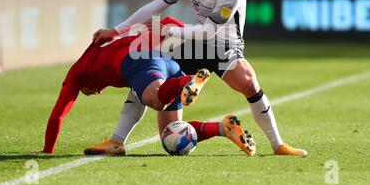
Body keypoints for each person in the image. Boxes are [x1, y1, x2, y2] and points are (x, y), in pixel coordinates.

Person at [92, 0, 307, 157]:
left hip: (225, 45)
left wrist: (166, 31)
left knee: (250, 84)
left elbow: (210, 31)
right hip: (195, 44)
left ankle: (278, 145)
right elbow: (155, 6)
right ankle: (118, 141)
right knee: (152, 86)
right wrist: (116, 31)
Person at [37, 16, 255, 156]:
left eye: (91, 92)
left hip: (140, 63)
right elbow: (166, 20)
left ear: (83, 87)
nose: (98, 92)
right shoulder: (104, 43)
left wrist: (48, 150)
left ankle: (186, 82)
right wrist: (185, 33)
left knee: (157, 100)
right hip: (164, 62)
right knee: (172, 134)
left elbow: (57, 116)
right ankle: (222, 128)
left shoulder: (76, 74)